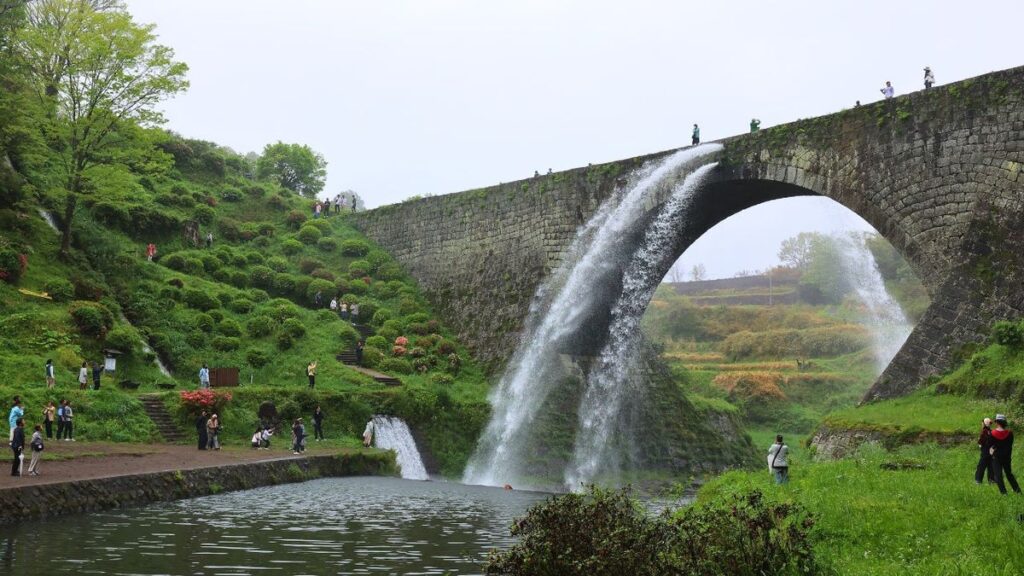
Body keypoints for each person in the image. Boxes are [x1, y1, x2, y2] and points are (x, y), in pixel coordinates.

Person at [990, 414, 1021, 495]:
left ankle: (1004, 493)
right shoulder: (1010, 433)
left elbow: (990, 445)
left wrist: (992, 449)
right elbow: (1009, 445)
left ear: (997, 423)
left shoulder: (992, 433)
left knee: (998, 475)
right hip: (1007, 457)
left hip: (996, 457)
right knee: (1009, 474)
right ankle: (1018, 491)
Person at [976, 417, 996, 484]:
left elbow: (980, 441)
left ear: (984, 423)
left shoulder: (984, 431)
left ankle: (978, 480)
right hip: (991, 451)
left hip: (985, 451)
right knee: (990, 466)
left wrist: (979, 443)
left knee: (981, 466)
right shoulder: (992, 431)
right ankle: (991, 480)